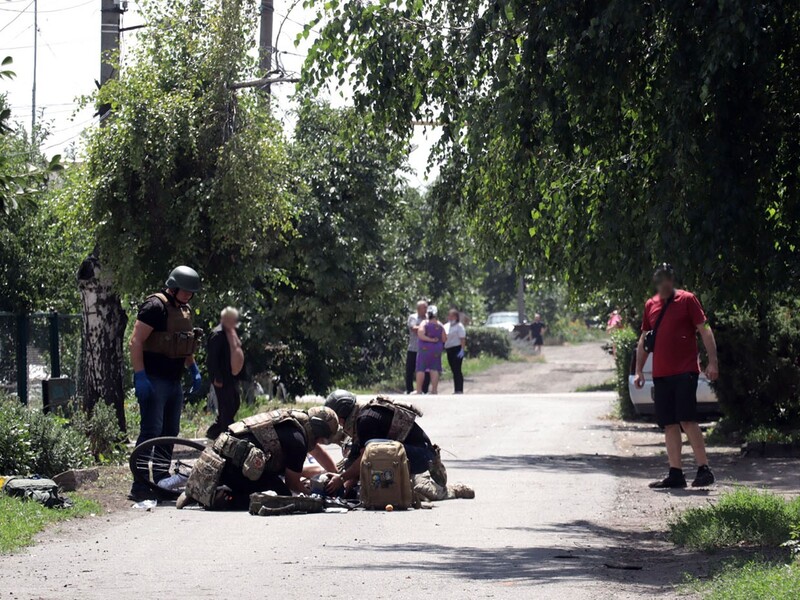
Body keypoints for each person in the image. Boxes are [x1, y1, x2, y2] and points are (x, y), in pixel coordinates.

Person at [634, 263, 719, 489]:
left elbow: (705, 330)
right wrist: (638, 370)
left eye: (667, 277)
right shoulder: (650, 305)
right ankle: (676, 473)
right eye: (660, 278)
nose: (664, 282)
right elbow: (644, 339)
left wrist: (712, 361)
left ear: (673, 279)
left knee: (687, 419)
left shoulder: (687, 299)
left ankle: (704, 469)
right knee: (669, 423)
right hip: (662, 374)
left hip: (685, 371)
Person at [128, 266, 203, 501]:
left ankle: (161, 481)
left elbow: (184, 344)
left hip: (173, 382)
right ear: (173, 286)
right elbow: (135, 341)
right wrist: (140, 376)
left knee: (170, 432)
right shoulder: (155, 307)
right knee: (151, 432)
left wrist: (193, 368)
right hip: (153, 380)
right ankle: (139, 485)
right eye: (185, 291)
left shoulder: (184, 310)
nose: (188, 296)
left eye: (191, 293)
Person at [178, 407, 341, 510]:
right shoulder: (298, 442)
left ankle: (203, 488)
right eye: (324, 439)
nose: (321, 443)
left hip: (222, 454)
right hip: (233, 468)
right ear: (318, 433)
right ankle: (222, 498)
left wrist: (336, 474)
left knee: (273, 480)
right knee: (282, 496)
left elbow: (317, 453)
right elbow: (292, 484)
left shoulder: (292, 424)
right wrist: (316, 496)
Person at [324, 390, 473, 500]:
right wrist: (343, 490)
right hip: (402, 455)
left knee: (418, 491)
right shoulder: (362, 416)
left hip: (421, 457)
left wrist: (341, 479)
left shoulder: (365, 420)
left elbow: (365, 458)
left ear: (343, 417)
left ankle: (450, 491)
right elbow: (355, 460)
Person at [205, 307, 245, 440]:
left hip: (231, 376)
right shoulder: (217, 334)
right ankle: (225, 435)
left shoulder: (231, 333)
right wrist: (217, 377)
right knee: (226, 407)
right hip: (221, 377)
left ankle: (215, 430)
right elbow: (212, 359)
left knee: (235, 403)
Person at [416, 305, 447, 395]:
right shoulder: (440, 324)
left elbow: (420, 334)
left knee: (421, 368)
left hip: (424, 349)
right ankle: (434, 390)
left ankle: (418, 390)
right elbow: (444, 338)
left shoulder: (424, 323)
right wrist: (436, 340)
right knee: (434, 368)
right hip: (436, 350)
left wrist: (430, 339)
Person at [405, 300, 430, 394]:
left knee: (426, 370)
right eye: (424, 307)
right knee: (410, 370)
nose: (426, 310)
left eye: (426, 307)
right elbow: (413, 328)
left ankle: (424, 390)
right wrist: (425, 328)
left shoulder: (428, 318)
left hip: (425, 349)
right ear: (418, 309)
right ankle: (409, 389)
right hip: (413, 348)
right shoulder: (413, 317)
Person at [444, 308, 467, 394]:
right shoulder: (446, 326)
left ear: (456, 317)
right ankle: (455, 388)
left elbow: (462, 339)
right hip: (449, 349)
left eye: (452, 315)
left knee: (457, 369)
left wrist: (462, 349)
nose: (450, 317)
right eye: (449, 315)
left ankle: (459, 389)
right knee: (453, 369)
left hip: (457, 348)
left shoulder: (459, 326)